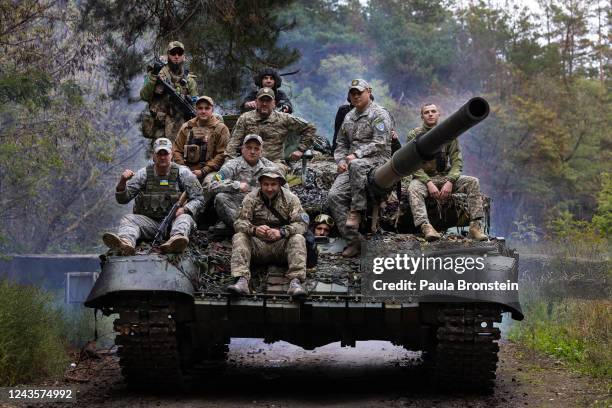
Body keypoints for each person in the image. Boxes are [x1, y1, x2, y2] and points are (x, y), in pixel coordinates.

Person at [102, 138, 204, 255]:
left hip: (175, 222)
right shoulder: (143, 174)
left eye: (165, 153)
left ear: (171, 155)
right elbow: (123, 199)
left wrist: (185, 209)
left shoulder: (183, 173)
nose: (162, 157)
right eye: (159, 153)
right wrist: (122, 181)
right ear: (154, 156)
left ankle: (176, 242)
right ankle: (125, 243)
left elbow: (199, 199)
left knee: (185, 218)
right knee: (128, 219)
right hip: (151, 224)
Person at [328, 79, 392, 257]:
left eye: (359, 92)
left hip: (377, 159)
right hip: (352, 162)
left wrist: (357, 154)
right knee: (334, 196)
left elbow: (381, 142)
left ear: (369, 92)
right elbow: (340, 143)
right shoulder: (349, 116)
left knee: (356, 164)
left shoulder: (379, 114)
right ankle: (354, 240)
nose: (356, 96)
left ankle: (357, 209)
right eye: (353, 93)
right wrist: (340, 160)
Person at [406, 103, 487, 241]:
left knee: (473, 181)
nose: (430, 114)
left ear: (439, 114)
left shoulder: (448, 134)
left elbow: (457, 161)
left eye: (433, 111)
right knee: (413, 188)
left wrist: (450, 181)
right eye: (426, 112)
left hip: (445, 177)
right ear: (422, 116)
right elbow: (411, 163)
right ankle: (427, 228)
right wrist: (428, 182)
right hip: (423, 178)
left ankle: (475, 227)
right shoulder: (414, 135)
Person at [227, 167, 308, 298]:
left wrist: (282, 232)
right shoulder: (251, 198)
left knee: (298, 238)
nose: (269, 188)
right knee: (239, 236)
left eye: (273, 184)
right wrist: (254, 229)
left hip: (281, 246)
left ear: (280, 184)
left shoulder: (291, 199)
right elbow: (238, 222)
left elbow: (302, 223)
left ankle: (295, 282)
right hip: (258, 246)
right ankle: (242, 281)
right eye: (266, 184)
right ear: (260, 184)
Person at [227, 87, 315, 169]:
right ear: (256, 102)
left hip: (275, 163)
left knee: (270, 176)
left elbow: (310, 128)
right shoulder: (245, 118)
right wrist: (230, 164)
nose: (264, 104)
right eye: (262, 100)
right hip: (248, 162)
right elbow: (233, 144)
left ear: (274, 103)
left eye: (268, 101)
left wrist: (300, 150)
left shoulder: (284, 118)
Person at [208, 134, 276, 231]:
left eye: (256, 149)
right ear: (242, 149)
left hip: (262, 205)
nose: (252, 152)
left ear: (261, 152)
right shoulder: (232, 165)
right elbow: (213, 185)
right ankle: (244, 229)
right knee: (221, 197)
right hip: (238, 206)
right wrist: (236, 185)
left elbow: (285, 189)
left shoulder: (269, 167)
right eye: (249, 148)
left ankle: (264, 228)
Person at [140, 41, 198, 141]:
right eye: (173, 53)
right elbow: (144, 95)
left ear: (183, 56)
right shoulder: (156, 73)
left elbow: (196, 105)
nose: (176, 56)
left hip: (182, 130)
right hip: (160, 129)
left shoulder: (189, 80)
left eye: (179, 53)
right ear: (168, 55)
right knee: (162, 156)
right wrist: (154, 76)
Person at [173, 95, 229, 187]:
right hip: (187, 170)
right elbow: (176, 150)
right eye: (200, 108)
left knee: (209, 184)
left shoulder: (221, 129)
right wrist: (184, 168)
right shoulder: (187, 127)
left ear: (212, 110)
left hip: (210, 171)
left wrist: (204, 171)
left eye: (207, 108)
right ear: (196, 109)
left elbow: (222, 154)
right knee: (169, 183)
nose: (203, 111)